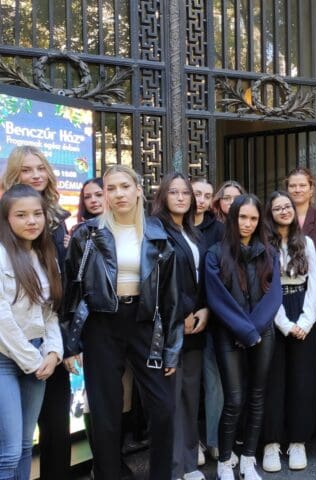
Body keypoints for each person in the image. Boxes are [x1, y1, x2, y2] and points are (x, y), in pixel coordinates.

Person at [63, 164, 181, 480]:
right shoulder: (87, 234)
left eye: (124, 187)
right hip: (101, 324)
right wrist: (69, 344)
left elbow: (170, 296)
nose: (118, 194)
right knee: (105, 412)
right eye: (110, 188)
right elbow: (72, 290)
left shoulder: (157, 233)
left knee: (163, 408)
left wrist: (172, 347)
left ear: (138, 190)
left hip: (145, 323)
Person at [1, 146, 71, 479]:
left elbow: (49, 310)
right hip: (8, 357)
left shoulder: (47, 251)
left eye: (37, 215)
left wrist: (54, 351)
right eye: (21, 215)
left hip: (41, 354)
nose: (31, 221)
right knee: (9, 450)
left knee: (27, 444)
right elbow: (3, 317)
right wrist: (34, 360)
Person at [204, 194, 282, 480]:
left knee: (257, 397)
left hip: (262, 333)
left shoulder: (270, 253)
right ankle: (225, 462)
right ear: (232, 218)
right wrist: (244, 331)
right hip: (229, 335)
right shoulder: (215, 253)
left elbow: (274, 296)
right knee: (234, 399)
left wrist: (253, 331)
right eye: (242, 217)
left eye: (253, 218)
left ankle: (248, 460)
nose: (247, 224)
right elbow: (217, 298)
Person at [152, 173, 209, 480]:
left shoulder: (192, 233)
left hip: (197, 324)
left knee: (189, 396)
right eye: (173, 192)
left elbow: (202, 278)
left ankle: (189, 464)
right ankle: (173, 468)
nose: (180, 197)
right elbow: (160, 280)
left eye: (185, 193)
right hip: (171, 326)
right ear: (163, 196)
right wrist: (183, 314)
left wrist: (205, 309)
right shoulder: (155, 230)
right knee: (170, 399)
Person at [262, 191, 316, 472]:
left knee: (302, 379)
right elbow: (266, 287)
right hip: (273, 311)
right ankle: (271, 443)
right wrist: (285, 324)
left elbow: (315, 285)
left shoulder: (306, 242)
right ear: (270, 213)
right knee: (273, 379)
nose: (284, 211)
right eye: (278, 208)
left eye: (287, 206)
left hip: (302, 309)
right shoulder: (264, 245)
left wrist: (306, 322)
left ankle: (298, 441)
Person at [284, 167, 316, 407]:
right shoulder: (279, 216)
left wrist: (301, 269)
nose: (297, 190)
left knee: (310, 357)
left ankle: (311, 409)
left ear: (312, 189)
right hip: (283, 296)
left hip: (311, 294)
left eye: (302, 185)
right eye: (292, 186)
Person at [191, 177, 224, 462]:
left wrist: (210, 309)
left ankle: (214, 439)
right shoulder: (173, 226)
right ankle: (192, 443)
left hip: (213, 316)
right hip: (184, 317)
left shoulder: (219, 230)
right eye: (196, 193)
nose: (201, 199)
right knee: (188, 386)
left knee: (214, 382)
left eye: (206, 195)